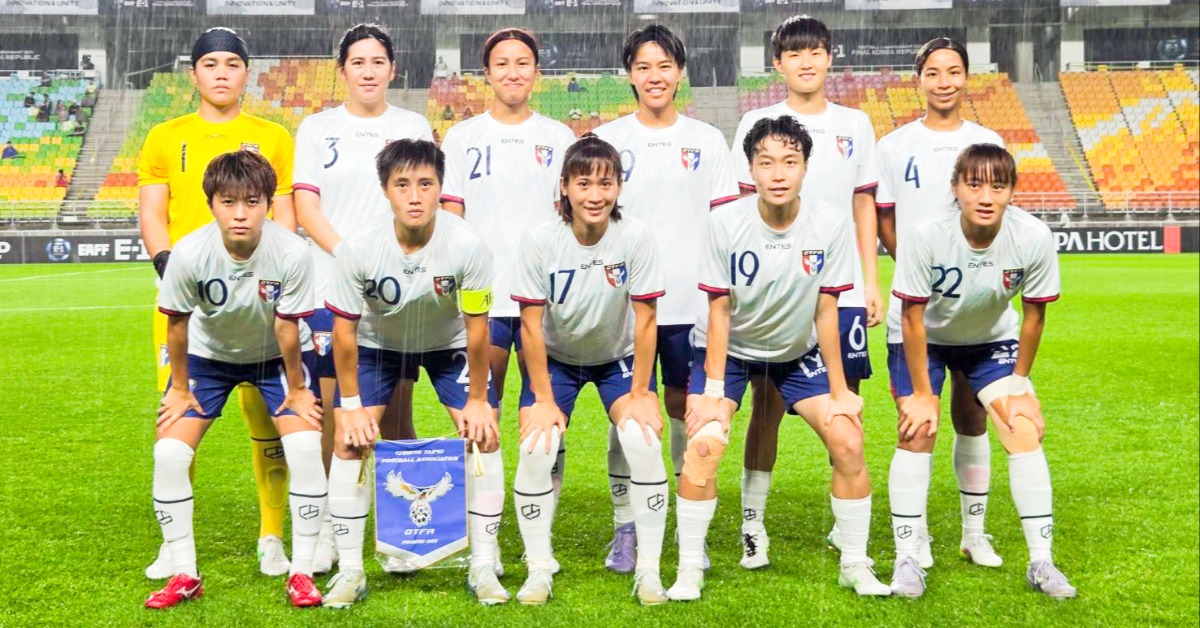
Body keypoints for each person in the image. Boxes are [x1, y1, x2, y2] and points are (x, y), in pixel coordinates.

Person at [668, 116, 890, 601]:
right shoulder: (725, 223)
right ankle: (689, 568)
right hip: (729, 351)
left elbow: (827, 312)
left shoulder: (830, 224)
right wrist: (712, 394)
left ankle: (854, 562)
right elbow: (719, 310)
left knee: (849, 442)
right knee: (704, 446)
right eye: (766, 162)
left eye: (790, 162)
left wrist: (839, 392)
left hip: (795, 351)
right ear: (750, 169)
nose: (778, 173)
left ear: (806, 167)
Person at [138, 26, 298, 580]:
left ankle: (272, 537)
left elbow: (284, 215)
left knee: (268, 419)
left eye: (232, 63)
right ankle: (174, 546)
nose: (222, 73)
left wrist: (279, 275)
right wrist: (172, 270)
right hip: (186, 301)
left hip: (258, 300)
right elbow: (153, 211)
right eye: (211, 64)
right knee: (178, 416)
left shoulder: (273, 136)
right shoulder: (165, 136)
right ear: (194, 74)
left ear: (247, 73)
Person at [321, 139, 505, 608]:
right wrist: (350, 406)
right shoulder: (359, 247)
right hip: (378, 347)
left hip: (448, 346)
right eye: (402, 185)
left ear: (441, 187)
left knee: (484, 435)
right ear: (385, 189)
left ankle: (484, 563)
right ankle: (350, 570)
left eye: (426, 183)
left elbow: (478, 329)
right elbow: (344, 333)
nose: (415, 196)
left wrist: (478, 400)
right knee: (349, 441)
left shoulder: (468, 245)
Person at [887, 144, 1076, 600]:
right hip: (924, 338)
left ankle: (1037, 560)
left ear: (1012, 191)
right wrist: (922, 395)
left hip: (990, 339)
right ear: (955, 188)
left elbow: (1034, 316)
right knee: (918, 429)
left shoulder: (1032, 236)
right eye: (974, 185)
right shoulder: (927, 233)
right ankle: (907, 557)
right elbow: (911, 317)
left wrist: (1020, 385)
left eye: (998, 186)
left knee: (1021, 426)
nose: (986, 197)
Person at [728, 15, 882, 568]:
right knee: (765, 409)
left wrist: (871, 281)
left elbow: (864, 203)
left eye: (815, 51)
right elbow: (742, 208)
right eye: (794, 53)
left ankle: (845, 523)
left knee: (844, 408)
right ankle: (753, 524)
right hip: (778, 291)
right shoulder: (758, 123)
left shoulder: (855, 123)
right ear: (778, 64)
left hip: (842, 289)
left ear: (830, 57)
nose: (806, 61)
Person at [144, 151, 324, 609]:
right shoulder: (189, 252)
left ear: (268, 203)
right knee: (169, 453)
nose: (240, 213)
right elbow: (177, 324)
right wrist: (179, 388)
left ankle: (302, 572)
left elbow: (287, 328)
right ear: (211, 204)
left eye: (251, 201)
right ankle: (185, 572)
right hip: (209, 359)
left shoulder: (292, 252)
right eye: (228, 202)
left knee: (305, 445)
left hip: (276, 358)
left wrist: (297, 390)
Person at [592, 24, 738, 573]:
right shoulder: (608, 140)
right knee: (629, 417)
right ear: (629, 74)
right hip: (624, 308)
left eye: (664, 66)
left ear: (680, 72)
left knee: (684, 412)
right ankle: (625, 527)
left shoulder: (708, 140)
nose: (654, 77)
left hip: (689, 306)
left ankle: (684, 522)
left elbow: (725, 226)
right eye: (643, 67)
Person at [293, 23, 434, 576]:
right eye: (358, 62)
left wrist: (387, 266)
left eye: (378, 61)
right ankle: (332, 529)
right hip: (331, 287)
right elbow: (306, 208)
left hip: (398, 294)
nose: (369, 71)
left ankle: (403, 532)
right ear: (343, 70)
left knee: (396, 414)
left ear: (392, 69)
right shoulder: (317, 127)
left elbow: (422, 203)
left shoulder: (411, 126)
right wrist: (354, 258)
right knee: (337, 414)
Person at [510, 135, 669, 606]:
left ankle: (649, 571)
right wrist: (542, 399)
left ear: (619, 186)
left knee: (642, 440)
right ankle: (539, 568)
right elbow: (530, 326)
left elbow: (646, 320)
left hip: (617, 359)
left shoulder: (635, 237)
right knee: (537, 447)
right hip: (557, 361)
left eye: (606, 183)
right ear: (564, 186)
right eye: (584, 184)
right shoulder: (540, 240)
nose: (595, 195)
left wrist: (641, 392)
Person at [874, 37, 1007, 573]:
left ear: (967, 77)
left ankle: (974, 533)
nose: (944, 81)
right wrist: (917, 269)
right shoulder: (893, 145)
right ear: (919, 80)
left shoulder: (988, 141)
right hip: (917, 315)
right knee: (918, 425)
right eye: (933, 72)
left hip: (977, 315)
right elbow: (884, 217)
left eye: (953, 71)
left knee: (973, 418)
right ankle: (916, 537)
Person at [438, 28, 576, 541]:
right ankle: (486, 535)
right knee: (481, 413)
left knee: (546, 411)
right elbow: (452, 218)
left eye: (522, 63)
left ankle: (541, 528)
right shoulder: (462, 138)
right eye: (502, 63)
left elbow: (570, 220)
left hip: (544, 299)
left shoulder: (559, 137)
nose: (513, 72)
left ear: (536, 72)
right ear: (487, 73)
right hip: (484, 297)